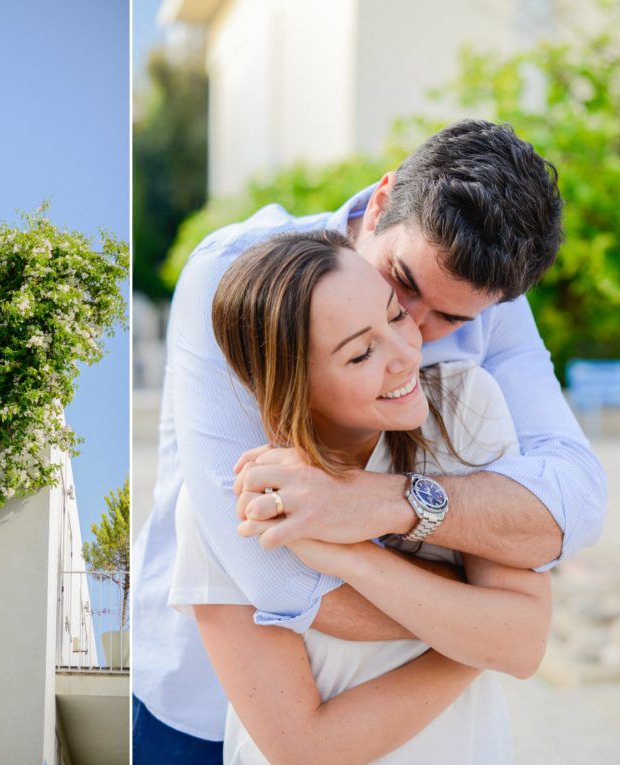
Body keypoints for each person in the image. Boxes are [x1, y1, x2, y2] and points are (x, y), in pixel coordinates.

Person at [131, 120, 606, 760]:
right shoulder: (242, 282)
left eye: (453, 319)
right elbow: (275, 579)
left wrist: (389, 502)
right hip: (205, 698)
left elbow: (575, 499)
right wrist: (480, 624)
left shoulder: (478, 345)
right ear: (380, 202)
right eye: (401, 288)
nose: (414, 333)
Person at [168, 229, 551, 763]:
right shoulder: (242, 504)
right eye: (360, 354)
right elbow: (305, 748)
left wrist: (350, 553)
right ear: (292, 383)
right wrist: (475, 631)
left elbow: (522, 643)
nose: (405, 354)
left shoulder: (463, 407)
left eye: (396, 315)